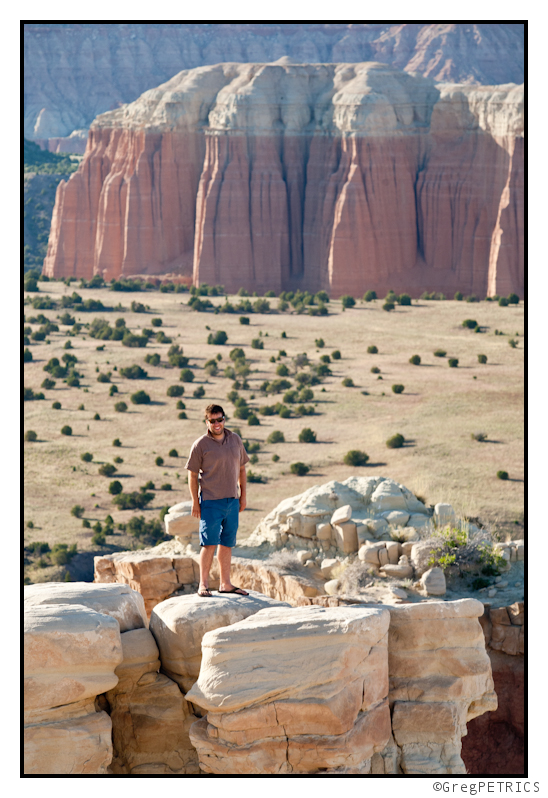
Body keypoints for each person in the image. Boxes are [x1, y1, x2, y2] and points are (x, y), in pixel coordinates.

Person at [185, 404, 250, 597]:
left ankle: (225, 584)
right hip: (211, 502)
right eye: (212, 421)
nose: (217, 424)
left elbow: (242, 470)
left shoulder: (235, 440)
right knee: (208, 543)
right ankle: (203, 585)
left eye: (219, 419)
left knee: (227, 543)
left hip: (232, 501)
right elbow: (192, 475)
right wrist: (195, 502)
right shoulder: (200, 445)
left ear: (224, 419)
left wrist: (243, 496)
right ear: (207, 422)